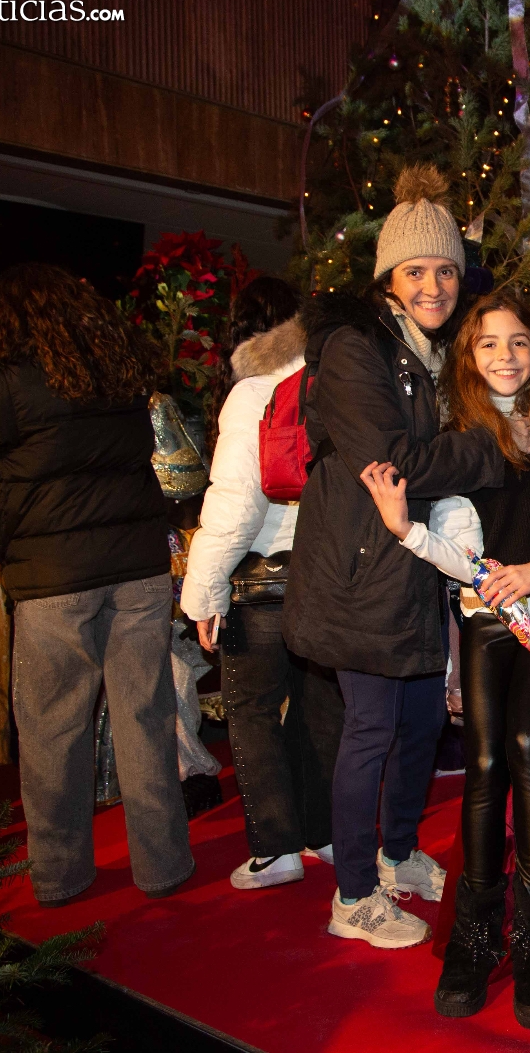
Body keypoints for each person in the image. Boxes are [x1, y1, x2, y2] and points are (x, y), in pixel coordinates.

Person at [0, 263, 193, 905]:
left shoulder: (11, 380)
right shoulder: (120, 370)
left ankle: (61, 878)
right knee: (145, 718)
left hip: (57, 579)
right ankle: (163, 865)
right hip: (138, 570)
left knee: (55, 729)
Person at [283, 164, 508, 949]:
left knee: (420, 720)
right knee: (372, 727)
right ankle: (352, 896)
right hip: (358, 569)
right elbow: (393, 459)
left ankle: (399, 852)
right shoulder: (357, 349)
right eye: (416, 271)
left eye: (445, 270)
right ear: (388, 278)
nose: (434, 286)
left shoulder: (430, 352)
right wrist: (489, 451)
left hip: (408, 564)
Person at [361, 292, 530, 1029]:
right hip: (487, 619)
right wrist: (405, 530)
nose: (506, 355)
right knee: (486, 761)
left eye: (519, 341)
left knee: (529, 746)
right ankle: (475, 931)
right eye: (489, 342)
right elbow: (462, 556)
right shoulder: (460, 440)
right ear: (468, 356)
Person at [182, 278, 345, 892]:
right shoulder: (341, 380)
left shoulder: (254, 391)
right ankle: (325, 833)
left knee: (251, 709)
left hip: (261, 583)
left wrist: (202, 590)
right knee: (321, 709)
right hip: (327, 575)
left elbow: (236, 502)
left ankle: (275, 849)